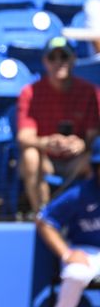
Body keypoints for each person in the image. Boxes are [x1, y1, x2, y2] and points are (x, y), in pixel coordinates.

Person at [16, 36, 99, 214]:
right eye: (52, 57)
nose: (58, 62)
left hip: (78, 160)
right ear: (45, 61)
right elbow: (24, 136)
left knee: (96, 159)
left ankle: (91, 214)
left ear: (73, 59)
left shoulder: (89, 91)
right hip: (46, 159)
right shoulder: (31, 92)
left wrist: (81, 144)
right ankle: (42, 214)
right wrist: (48, 143)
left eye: (64, 56)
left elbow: (94, 134)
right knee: (30, 155)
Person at [37, 156, 100, 307]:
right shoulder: (80, 193)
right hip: (86, 251)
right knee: (75, 274)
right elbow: (45, 221)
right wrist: (66, 253)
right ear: (96, 167)